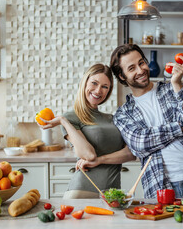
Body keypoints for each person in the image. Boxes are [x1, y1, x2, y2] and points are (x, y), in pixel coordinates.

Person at [109, 44, 183, 199]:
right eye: (131, 68)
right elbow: (140, 144)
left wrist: (177, 84)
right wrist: (178, 127)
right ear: (122, 76)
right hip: (159, 185)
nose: (140, 70)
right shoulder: (123, 113)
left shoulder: (172, 89)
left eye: (141, 63)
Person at [38, 63, 135, 199]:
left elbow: (131, 154)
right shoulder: (71, 118)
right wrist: (63, 121)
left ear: (109, 91)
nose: (98, 90)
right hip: (82, 192)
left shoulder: (113, 118)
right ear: (85, 83)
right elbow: (89, 155)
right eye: (94, 83)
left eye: (104, 87)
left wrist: (100, 160)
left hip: (112, 194)